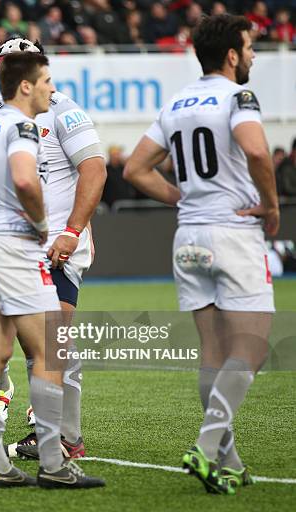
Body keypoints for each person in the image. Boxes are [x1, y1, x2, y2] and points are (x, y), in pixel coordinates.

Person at [123, 14, 278, 495]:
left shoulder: (177, 102)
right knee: (251, 348)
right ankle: (207, 448)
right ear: (232, 55)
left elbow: (134, 169)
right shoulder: (239, 97)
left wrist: (181, 198)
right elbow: (255, 151)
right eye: (250, 47)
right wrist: (271, 205)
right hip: (232, 232)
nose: (252, 55)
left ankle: (227, 461)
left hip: (188, 236)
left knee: (213, 352)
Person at [0, 37, 107, 460]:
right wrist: (42, 224)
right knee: (52, 345)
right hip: (33, 244)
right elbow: (23, 179)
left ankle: (10, 451)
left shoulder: (3, 116)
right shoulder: (15, 120)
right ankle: (59, 445)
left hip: (5, 246)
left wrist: (71, 228)